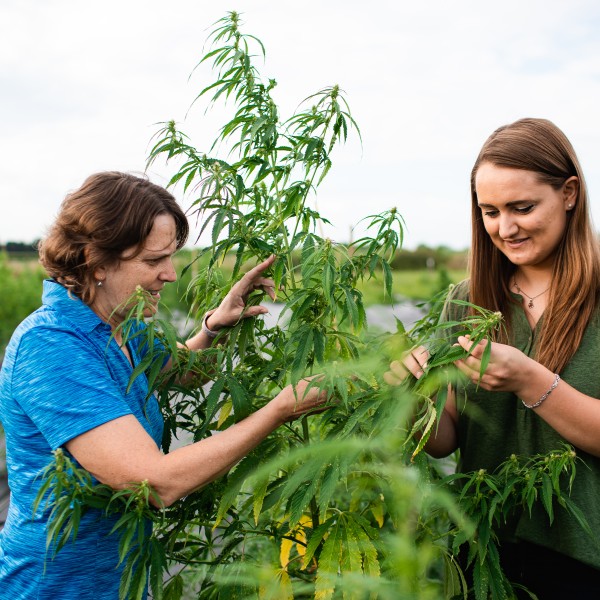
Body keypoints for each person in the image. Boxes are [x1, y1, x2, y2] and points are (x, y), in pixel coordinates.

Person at [0, 172, 328, 598]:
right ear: (96, 262)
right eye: (154, 261)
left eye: (171, 257)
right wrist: (280, 410)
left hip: (123, 576)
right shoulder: (52, 346)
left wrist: (214, 325)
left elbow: (181, 372)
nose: (170, 275)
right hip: (61, 585)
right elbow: (153, 483)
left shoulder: (122, 323)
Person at [386, 118, 600, 598]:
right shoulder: (467, 300)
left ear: (569, 193)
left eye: (522, 208)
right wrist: (412, 395)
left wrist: (531, 382)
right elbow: (445, 440)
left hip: (583, 560)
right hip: (481, 551)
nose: (505, 228)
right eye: (490, 211)